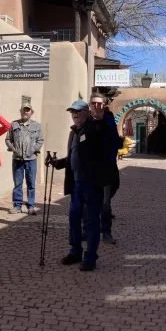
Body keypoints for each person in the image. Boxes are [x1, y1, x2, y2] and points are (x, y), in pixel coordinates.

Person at [50, 93, 120, 271]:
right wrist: (57, 163)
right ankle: (75, 252)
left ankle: (90, 257)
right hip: (76, 184)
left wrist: (101, 118)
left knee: (91, 221)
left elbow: (111, 138)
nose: (74, 114)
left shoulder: (96, 127)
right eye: (72, 111)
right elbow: (74, 156)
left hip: (92, 183)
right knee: (74, 219)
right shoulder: (75, 132)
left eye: (78, 111)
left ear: (86, 113)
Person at [5, 102, 44, 215]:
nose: (26, 112)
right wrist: (13, 148)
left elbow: (40, 140)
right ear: (20, 111)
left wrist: (32, 149)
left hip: (31, 159)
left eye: (28, 110)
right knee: (18, 183)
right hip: (17, 159)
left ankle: (31, 206)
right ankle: (17, 206)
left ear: (31, 112)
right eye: (24, 110)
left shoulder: (37, 126)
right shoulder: (14, 124)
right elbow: (8, 139)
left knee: (31, 183)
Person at [101, 101, 122, 245]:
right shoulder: (87, 121)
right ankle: (87, 231)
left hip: (107, 168)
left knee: (105, 203)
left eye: (100, 104)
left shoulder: (109, 119)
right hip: (89, 170)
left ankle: (106, 232)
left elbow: (115, 142)